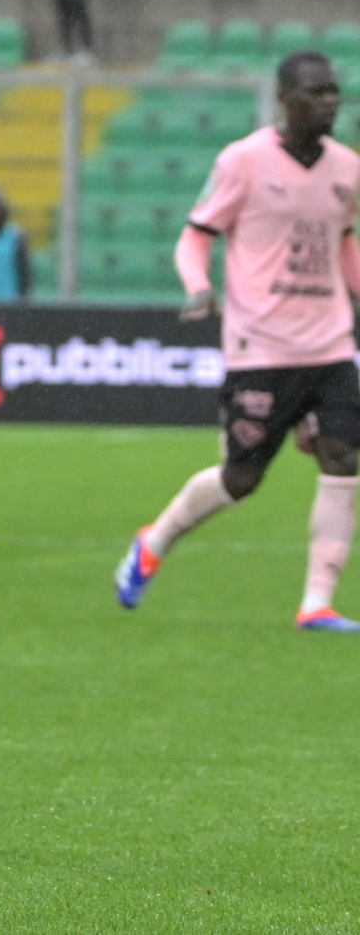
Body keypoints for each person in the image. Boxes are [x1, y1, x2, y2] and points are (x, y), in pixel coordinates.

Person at [116, 51, 360, 633]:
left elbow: (343, 244)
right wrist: (198, 287)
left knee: (344, 459)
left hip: (329, 344)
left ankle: (316, 603)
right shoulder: (243, 161)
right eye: (314, 92)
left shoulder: (348, 169)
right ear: (283, 97)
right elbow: (195, 237)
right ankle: (157, 539)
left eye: (333, 91)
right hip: (262, 348)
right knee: (241, 478)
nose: (327, 101)